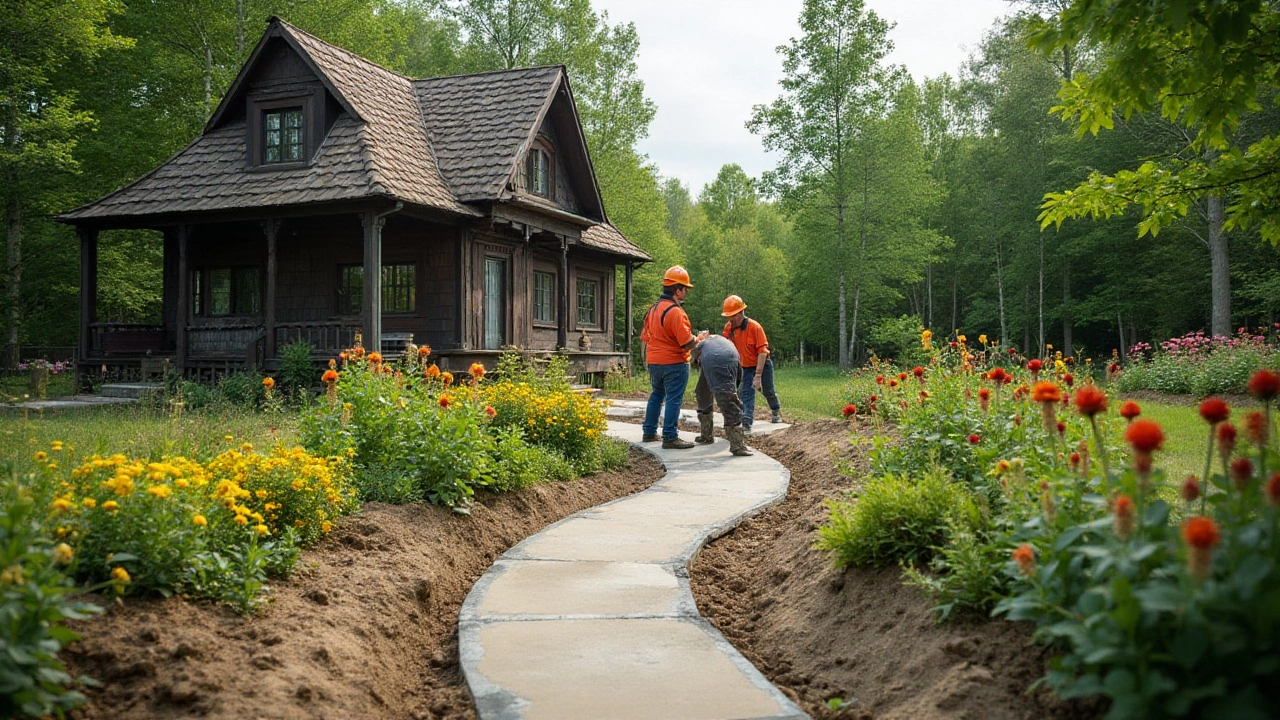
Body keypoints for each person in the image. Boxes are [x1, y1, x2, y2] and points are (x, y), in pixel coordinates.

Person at [640, 266, 699, 449]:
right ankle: (670, 437)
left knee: (656, 394)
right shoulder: (676, 312)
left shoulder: (653, 309)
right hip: (674, 362)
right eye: (685, 289)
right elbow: (686, 343)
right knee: (674, 398)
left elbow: (645, 337)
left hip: (654, 362)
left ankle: (649, 432)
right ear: (677, 289)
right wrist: (699, 339)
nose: (686, 293)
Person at [721, 295, 782, 431]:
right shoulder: (728, 329)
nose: (730, 319)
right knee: (745, 393)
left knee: (768, 391)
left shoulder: (755, 327)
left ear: (741, 313)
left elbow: (762, 352)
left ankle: (775, 410)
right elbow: (725, 346)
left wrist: (758, 375)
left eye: (733, 316)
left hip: (762, 365)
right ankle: (746, 423)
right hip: (745, 368)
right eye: (728, 316)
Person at [691, 333, 753, 456]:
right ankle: (706, 435)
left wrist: (694, 362)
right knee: (703, 391)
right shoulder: (721, 341)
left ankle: (737, 445)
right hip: (734, 357)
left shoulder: (701, 344)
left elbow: (693, 358)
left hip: (716, 360)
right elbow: (737, 379)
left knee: (727, 400)